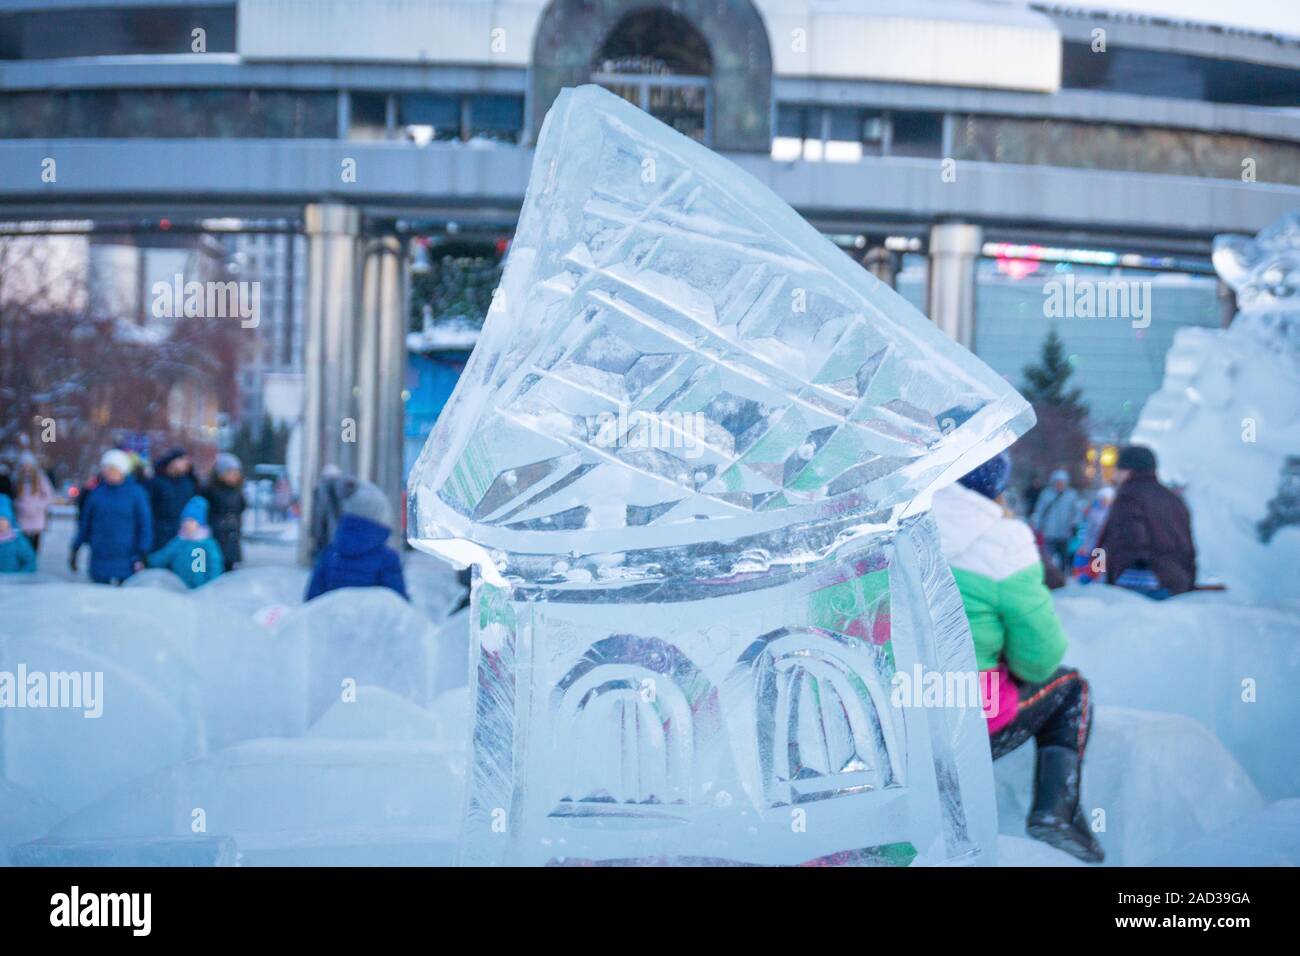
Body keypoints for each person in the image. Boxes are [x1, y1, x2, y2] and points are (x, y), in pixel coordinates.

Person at [931, 451, 1103, 863]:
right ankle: (1055, 811)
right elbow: (1038, 661)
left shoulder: (887, 528)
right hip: (964, 724)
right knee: (1070, 686)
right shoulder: (1003, 541)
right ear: (997, 487)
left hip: (889, 722)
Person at [1098, 445, 1196, 599]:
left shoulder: (1128, 496)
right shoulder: (1173, 498)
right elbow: (1188, 547)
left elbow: (1130, 540)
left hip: (1144, 585)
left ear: (1128, 470)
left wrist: (1115, 574)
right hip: (1177, 583)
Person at [306, 480, 407, 602]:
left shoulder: (329, 554)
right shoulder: (388, 559)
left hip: (332, 620)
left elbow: (312, 602)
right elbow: (398, 605)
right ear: (379, 519)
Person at [70, 449, 152, 585]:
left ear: (122, 470)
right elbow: (85, 524)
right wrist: (75, 548)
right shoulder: (96, 494)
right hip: (99, 558)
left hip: (127, 559)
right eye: (106, 468)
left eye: (112, 468)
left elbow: (144, 525)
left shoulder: (136, 494)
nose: (108, 472)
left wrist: (143, 552)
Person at [146, 496, 224, 589]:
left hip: (202, 590)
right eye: (184, 520)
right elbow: (163, 556)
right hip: (180, 588)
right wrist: (147, 561)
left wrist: (212, 585)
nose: (187, 524)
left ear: (200, 523)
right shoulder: (178, 542)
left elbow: (215, 566)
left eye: (191, 521)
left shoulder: (207, 544)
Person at [1030, 468, 1081, 575]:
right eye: (1058, 482)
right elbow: (1039, 511)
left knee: (1064, 558)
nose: (1060, 485)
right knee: (1048, 558)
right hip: (1049, 532)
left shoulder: (1071, 495)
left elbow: (1077, 512)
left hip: (1065, 533)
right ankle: (1049, 576)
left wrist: (1075, 524)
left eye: (1062, 482)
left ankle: (1063, 576)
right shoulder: (1046, 494)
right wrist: (1037, 527)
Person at [146, 446, 198, 551]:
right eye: (182, 460)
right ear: (172, 461)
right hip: (159, 534)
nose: (186, 463)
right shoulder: (156, 482)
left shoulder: (189, 483)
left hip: (183, 534)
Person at [203, 452, 247, 570]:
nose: (234, 476)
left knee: (229, 565)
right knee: (215, 563)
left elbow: (241, 508)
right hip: (217, 535)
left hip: (232, 535)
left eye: (236, 473)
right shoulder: (211, 491)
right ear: (220, 474)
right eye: (230, 472)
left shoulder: (237, 492)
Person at [309, 464, 357, 561]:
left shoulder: (321, 488)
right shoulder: (347, 488)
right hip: (342, 531)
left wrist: (315, 533)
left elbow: (318, 513)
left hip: (326, 532)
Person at [13, 451, 54, 554]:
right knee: (23, 543)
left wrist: (39, 506)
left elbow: (48, 495)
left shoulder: (40, 478)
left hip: (37, 516)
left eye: (29, 465)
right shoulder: (17, 479)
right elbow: (13, 495)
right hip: (22, 516)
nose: (27, 468)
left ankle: (33, 562)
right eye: (24, 465)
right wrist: (18, 505)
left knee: (35, 542)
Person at [1073, 485, 1116, 582]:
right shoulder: (1095, 512)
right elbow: (1089, 530)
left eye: (1107, 499)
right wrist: (1086, 545)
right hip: (1097, 545)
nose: (1105, 501)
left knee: (1108, 568)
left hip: (1111, 546)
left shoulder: (1115, 512)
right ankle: (1098, 584)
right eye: (1103, 499)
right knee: (1097, 569)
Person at [0, 494, 37, 574]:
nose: (0, 523)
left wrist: (20, 577)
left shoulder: (15, 538)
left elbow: (29, 560)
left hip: (12, 581)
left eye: (3, 519)